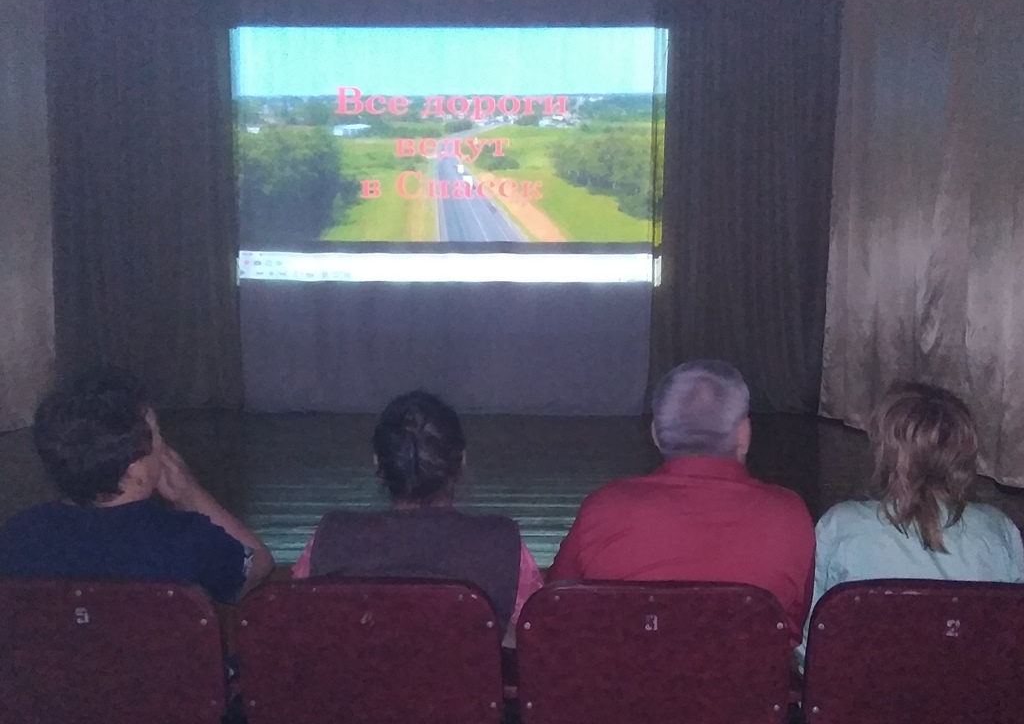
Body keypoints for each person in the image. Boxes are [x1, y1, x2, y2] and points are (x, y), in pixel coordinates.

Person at [548, 359, 816, 646]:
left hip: (625, 675)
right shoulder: (789, 516)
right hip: (751, 676)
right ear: (743, 434)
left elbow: (554, 608)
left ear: (656, 434)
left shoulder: (603, 509)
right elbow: (792, 626)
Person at [0, 368, 274, 603]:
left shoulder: (18, 535)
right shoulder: (188, 539)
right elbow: (258, 566)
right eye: (157, 434)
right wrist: (191, 494)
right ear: (136, 469)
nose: (163, 445)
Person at [798, 381, 1024, 662]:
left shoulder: (841, 526)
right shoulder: (999, 531)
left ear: (885, 452)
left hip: (866, 688)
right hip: (973, 688)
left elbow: (811, 646)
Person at [292, 390, 543, 639]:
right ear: (462, 461)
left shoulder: (332, 537)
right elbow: (539, 630)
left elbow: (292, 621)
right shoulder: (501, 543)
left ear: (378, 464)